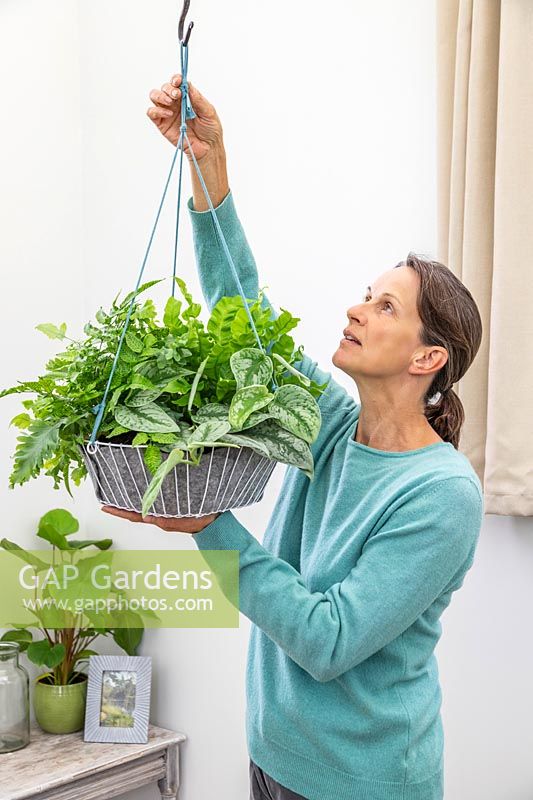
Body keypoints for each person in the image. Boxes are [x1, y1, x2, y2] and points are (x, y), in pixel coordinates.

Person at [103, 73, 484, 800]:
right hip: (274, 754)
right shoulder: (331, 425)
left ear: (425, 357)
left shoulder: (441, 495)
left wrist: (210, 525)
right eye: (364, 294)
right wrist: (208, 165)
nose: (356, 308)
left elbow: (326, 639)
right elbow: (243, 320)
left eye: (383, 305)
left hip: (362, 783)